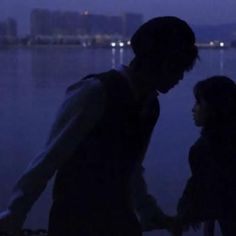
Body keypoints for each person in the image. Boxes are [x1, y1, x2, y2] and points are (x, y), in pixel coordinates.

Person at [0, 16, 198, 236]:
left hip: (120, 220)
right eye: (176, 67)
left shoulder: (150, 106)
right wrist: (14, 214)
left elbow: (131, 166)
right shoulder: (95, 92)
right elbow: (49, 158)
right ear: (156, 61)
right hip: (75, 220)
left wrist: (147, 210)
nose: (180, 77)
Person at [176, 76, 236, 236]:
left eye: (198, 103)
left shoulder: (204, 150)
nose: (193, 109)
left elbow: (210, 198)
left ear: (214, 108)